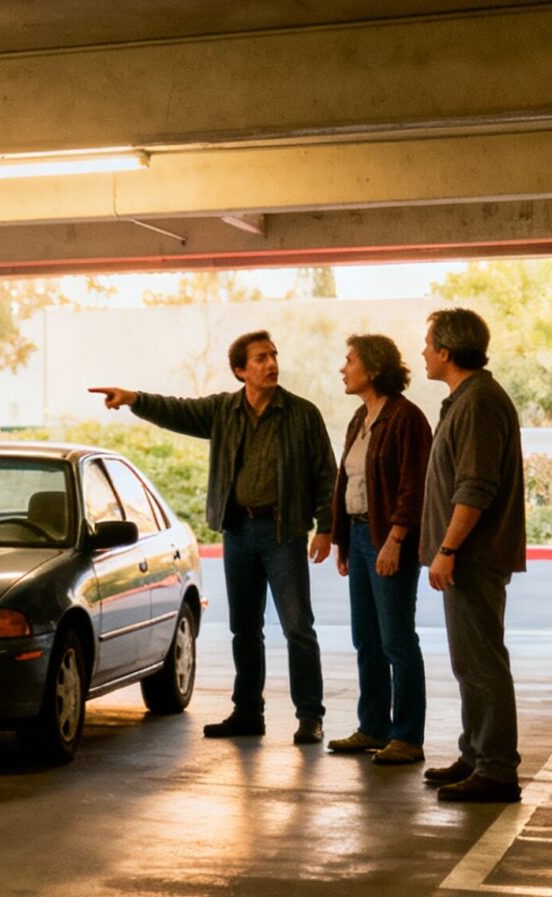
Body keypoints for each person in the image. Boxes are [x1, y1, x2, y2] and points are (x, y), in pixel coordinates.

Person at [91, 331, 337, 743]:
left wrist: (326, 527)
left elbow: (325, 473)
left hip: (283, 532)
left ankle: (309, 715)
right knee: (244, 628)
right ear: (241, 370)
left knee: (298, 628)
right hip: (238, 530)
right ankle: (247, 712)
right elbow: (178, 411)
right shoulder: (224, 410)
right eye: (260, 358)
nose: (272, 363)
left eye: (274, 355)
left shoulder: (301, 414)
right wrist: (133, 398)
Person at [417, 309, 529, 803]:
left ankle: (497, 770)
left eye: (427, 344)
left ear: (446, 351)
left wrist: (448, 549)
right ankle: (476, 752)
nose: (422, 351)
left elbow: (475, 487)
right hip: (468, 556)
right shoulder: (465, 399)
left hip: (473, 556)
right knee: (471, 660)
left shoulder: (479, 402)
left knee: (481, 660)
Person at [327, 334, 431, 766]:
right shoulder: (359, 417)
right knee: (366, 639)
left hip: (389, 540)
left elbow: (414, 485)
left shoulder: (406, 418)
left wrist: (394, 538)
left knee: (396, 640)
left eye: (349, 360)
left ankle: (407, 736)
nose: (343, 368)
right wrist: (343, 541)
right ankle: (373, 727)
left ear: (372, 368)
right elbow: (348, 482)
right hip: (360, 536)